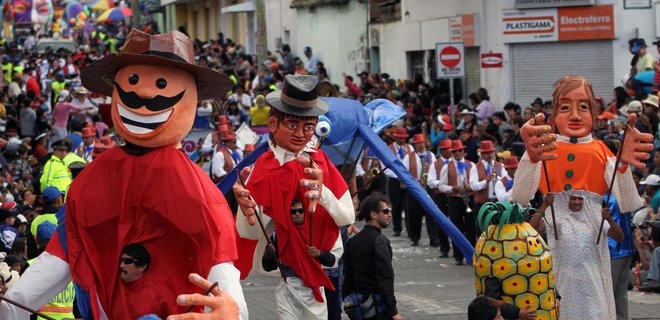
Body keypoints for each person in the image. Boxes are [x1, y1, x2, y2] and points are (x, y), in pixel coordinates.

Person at [2, 29, 247, 320]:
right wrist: (12, 304)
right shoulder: (94, 179)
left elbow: (218, 258)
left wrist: (233, 310)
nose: (143, 94)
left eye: (161, 84)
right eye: (133, 80)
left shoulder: (197, 190)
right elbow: (63, 252)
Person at [511, 75, 654, 320]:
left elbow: (629, 201)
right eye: (565, 107)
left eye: (583, 107)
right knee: (559, 294)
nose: (575, 116)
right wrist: (530, 158)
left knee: (594, 297)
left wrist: (623, 166)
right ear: (554, 113)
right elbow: (520, 197)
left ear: (594, 114)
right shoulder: (545, 146)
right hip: (557, 243)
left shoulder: (601, 150)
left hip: (593, 243)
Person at [234, 75, 355, 320]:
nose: (301, 134)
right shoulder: (263, 168)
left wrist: (324, 195)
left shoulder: (320, 163)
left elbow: (347, 217)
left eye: (308, 127)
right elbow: (249, 233)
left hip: (322, 263)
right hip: (287, 272)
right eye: (292, 125)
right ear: (273, 124)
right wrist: (246, 210)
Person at [262, 199, 337, 319]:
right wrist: (269, 254)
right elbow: (268, 266)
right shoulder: (279, 234)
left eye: (300, 211)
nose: (297, 214)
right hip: (288, 287)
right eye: (293, 211)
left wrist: (319, 254)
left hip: (312, 288)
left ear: (304, 212)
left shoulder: (316, 232)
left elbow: (332, 261)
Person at [343, 193, 401, 320]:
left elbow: (348, 276)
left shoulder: (353, 241)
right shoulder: (380, 240)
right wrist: (394, 311)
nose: (389, 215)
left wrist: (347, 300)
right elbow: (385, 277)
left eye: (389, 211)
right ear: (374, 214)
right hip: (378, 307)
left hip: (359, 306)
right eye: (385, 211)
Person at [438, 140, 475, 265]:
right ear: (452, 152)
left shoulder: (471, 165)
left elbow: (475, 183)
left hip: (469, 198)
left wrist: (471, 186)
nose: (458, 153)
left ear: (464, 151)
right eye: (455, 151)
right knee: (456, 228)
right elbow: (441, 186)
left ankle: (472, 254)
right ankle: (458, 255)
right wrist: (452, 188)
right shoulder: (446, 167)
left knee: (471, 228)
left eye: (460, 150)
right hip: (454, 199)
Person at [402, 134, 436, 246]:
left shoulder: (431, 155)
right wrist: (415, 180)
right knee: (414, 214)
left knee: (431, 214)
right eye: (419, 143)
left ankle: (434, 239)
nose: (422, 145)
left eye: (423, 142)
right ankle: (415, 238)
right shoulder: (408, 157)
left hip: (428, 189)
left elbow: (435, 170)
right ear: (415, 144)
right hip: (414, 189)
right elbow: (404, 173)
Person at [118, 243, 170, 317]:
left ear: (142, 266)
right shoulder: (113, 290)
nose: (121, 265)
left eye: (127, 261)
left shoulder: (159, 295)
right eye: (121, 260)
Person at [383, 127, 412, 237]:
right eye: (400, 138)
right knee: (396, 205)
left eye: (403, 138)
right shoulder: (389, 148)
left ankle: (410, 229)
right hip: (394, 180)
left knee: (408, 205)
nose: (402, 140)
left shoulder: (410, 148)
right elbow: (385, 166)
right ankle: (397, 228)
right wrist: (398, 175)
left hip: (407, 180)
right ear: (395, 138)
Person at [427, 139, 453, 257]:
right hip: (441, 196)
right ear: (442, 151)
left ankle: (457, 249)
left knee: (456, 223)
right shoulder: (436, 164)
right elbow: (431, 182)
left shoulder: (456, 163)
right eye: (448, 149)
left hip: (454, 196)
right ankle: (444, 248)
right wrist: (444, 184)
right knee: (441, 222)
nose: (451, 151)